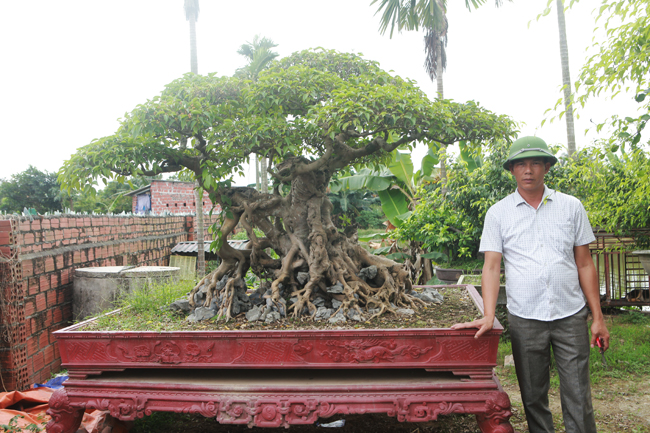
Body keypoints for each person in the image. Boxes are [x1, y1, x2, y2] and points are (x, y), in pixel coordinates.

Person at [451, 136, 610, 433]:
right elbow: (492, 265)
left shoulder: (571, 207)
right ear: (512, 170)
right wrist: (488, 314)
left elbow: (585, 263)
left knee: (577, 394)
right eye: (521, 164)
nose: (528, 170)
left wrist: (597, 317)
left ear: (547, 167)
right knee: (533, 396)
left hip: (571, 314)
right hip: (525, 317)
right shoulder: (498, 213)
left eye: (536, 162)